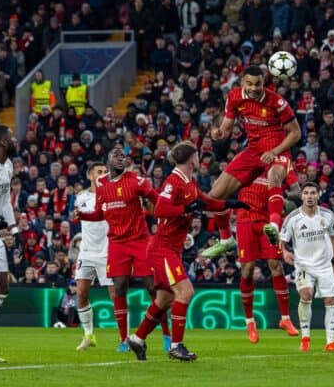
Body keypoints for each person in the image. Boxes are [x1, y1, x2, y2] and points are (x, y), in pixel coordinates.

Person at [127, 141, 248, 361]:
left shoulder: (189, 182)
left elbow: (206, 202)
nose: (199, 157)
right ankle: (176, 346)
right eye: (197, 154)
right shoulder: (174, 181)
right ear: (192, 158)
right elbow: (161, 208)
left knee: (163, 300)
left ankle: (137, 338)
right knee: (185, 292)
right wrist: (185, 209)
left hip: (171, 248)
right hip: (163, 248)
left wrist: (233, 204)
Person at [76, 147, 169, 352]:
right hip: (117, 243)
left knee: (153, 288)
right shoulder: (102, 183)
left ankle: (166, 334)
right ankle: (123, 340)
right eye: (116, 156)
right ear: (108, 161)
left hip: (140, 241)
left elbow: (157, 200)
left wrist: (168, 215)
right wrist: (82, 215)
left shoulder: (137, 181)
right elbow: (99, 214)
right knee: (119, 288)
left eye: (123, 156)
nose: (120, 159)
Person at [203, 65, 301, 257]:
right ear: (242, 83)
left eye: (258, 84)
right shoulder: (234, 96)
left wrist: (275, 151)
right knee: (214, 196)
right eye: (249, 84)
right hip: (254, 150)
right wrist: (220, 132)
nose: (254, 88)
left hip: (278, 147)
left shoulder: (277, 101)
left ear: (264, 83)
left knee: (274, 177)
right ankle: (225, 239)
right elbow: (227, 127)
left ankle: (274, 227)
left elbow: (295, 133)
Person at [233, 168, 300, 343]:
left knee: (275, 265)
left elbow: (296, 192)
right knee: (247, 270)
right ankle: (250, 323)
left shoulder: (283, 165)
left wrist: (282, 197)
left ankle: (285, 319)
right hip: (245, 220)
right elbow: (228, 182)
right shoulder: (247, 161)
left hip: (269, 220)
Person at [280, 182, 334, 352]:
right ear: (302, 197)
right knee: (306, 295)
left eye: (313, 193)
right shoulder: (293, 218)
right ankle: (305, 338)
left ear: (318, 195)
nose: (309, 196)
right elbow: (282, 240)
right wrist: (285, 252)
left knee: (331, 300)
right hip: (303, 265)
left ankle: (331, 343)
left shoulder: (328, 215)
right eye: (306, 193)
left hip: (324, 265)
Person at [74, 162, 116, 351]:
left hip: (107, 251)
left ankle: (124, 338)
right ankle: (88, 335)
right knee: (81, 293)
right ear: (90, 175)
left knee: (116, 296)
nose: (102, 174)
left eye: (105, 172)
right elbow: (77, 218)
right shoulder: (80, 197)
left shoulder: (112, 196)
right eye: (99, 172)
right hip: (86, 252)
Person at [0, 125, 21, 324]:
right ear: (3, 142)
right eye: (11, 138)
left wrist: (14, 228)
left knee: (3, 288)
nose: (14, 141)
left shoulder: (8, 166)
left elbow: (4, 202)